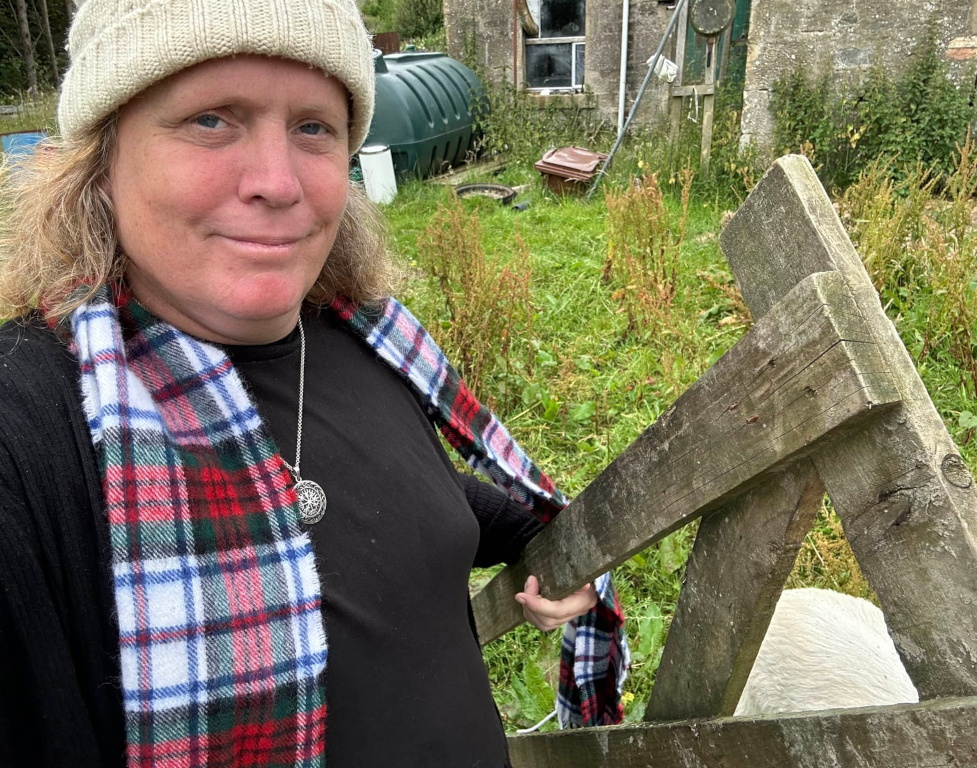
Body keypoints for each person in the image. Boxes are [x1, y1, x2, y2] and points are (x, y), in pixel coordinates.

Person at [0, 1, 626, 766]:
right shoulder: (36, 429)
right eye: (211, 119)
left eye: (313, 128)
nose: (277, 182)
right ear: (101, 158)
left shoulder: (365, 339)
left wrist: (535, 536)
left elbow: (401, 493)